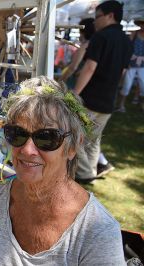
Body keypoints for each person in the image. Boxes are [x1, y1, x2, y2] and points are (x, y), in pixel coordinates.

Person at [0, 76, 125, 265]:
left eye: (46, 138)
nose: (27, 150)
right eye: (17, 134)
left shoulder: (97, 231)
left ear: (72, 147)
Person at [72, 0, 132, 184]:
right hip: (108, 99)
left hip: (90, 97)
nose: (95, 22)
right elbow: (122, 72)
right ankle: (89, 172)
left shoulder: (101, 37)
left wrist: (75, 92)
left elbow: (90, 67)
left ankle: (84, 174)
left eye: (97, 17)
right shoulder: (127, 41)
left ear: (110, 16)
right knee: (94, 139)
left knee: (78, 136)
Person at [117, 18, 144, 113]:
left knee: (143, 85)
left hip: (142, 65)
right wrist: (127, 60)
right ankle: (121, 105)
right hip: (131, 64)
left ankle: (141, 104)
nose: (143, 26)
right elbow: (127, 47)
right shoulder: (134, 34)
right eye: (141, 24)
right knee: (127, 85)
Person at [60, 18, 95, 88]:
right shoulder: (94, 45)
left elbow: (73, 67)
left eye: (80, 31)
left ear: (83, 32)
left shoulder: (85, 46)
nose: (79, 35)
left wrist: (60, 82)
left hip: (74, 84)